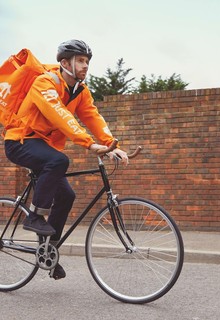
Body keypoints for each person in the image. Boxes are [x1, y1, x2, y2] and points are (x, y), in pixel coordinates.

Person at [4, 39, 128, 279]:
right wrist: (89, 143)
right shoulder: (45, 83)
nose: (85, 65)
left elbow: (92, 116)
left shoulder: (80, 91)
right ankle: (35, 216)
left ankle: (48, 250)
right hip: (20, 141)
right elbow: (59, 115)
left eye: (87, 61)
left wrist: (112, 144)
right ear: (64, 62)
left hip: (44, 148)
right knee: (59, 161)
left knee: (67, 195)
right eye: (80, 60)